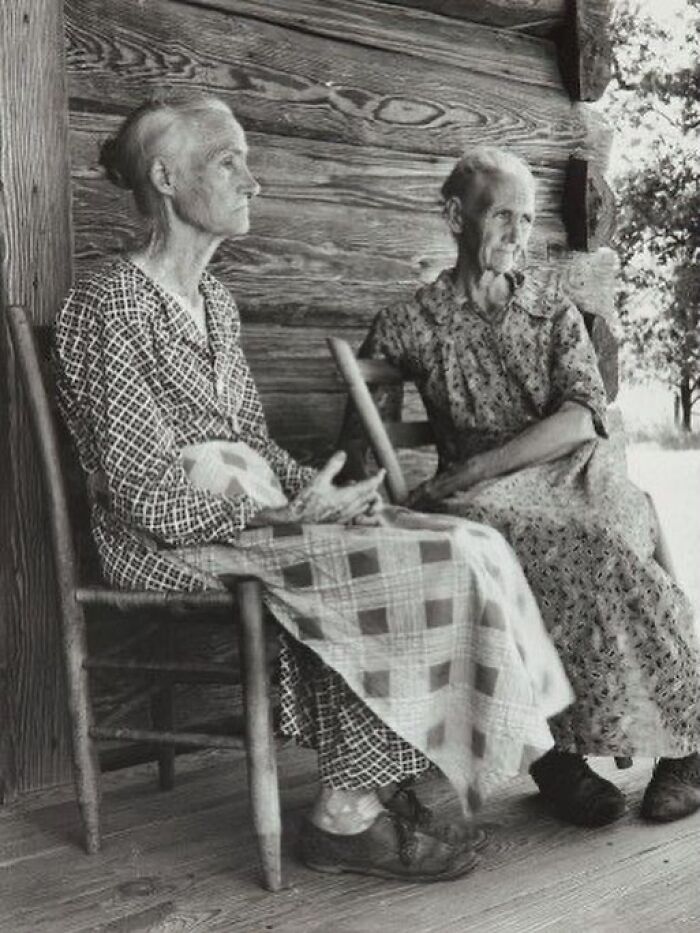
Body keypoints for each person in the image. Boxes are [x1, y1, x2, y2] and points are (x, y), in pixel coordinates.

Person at [54, 98, 574, 883]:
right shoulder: (109, 303)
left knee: (463, 539)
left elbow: (256, 446)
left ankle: (369, 784)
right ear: (166, 177)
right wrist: (276, 512)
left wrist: (325, 493)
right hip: (165, 540)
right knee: (399, 567)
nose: (252, 181)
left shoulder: (217, 305)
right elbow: (143, 494)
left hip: (247, 517)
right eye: (228, 161)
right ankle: (343, 817)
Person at [359, 146, 700, 828]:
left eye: (528, 218)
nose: (518, 233)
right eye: (503, 215)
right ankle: (557, 757)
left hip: (573, 465)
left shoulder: (551, 310)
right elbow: (361, 432)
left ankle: (687, 742)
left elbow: (581, 418)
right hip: (489, 501)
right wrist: (370, 496)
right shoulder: (410, 322)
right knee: (505, 535)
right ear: (456, 217)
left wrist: (473, 469)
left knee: (602, 533)